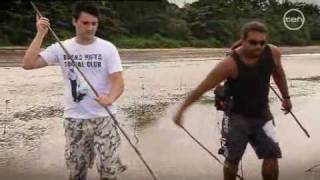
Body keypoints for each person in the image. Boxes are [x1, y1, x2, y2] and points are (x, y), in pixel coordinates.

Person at [174, 21, 292, 180]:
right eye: (253, 42)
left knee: (272, 154)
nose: (258, 46)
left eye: (262, 43)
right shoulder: (229, 64)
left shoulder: (273, 53)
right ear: (242, 41)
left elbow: (278, 73)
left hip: (263, 115)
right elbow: (202, 88)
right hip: (236, 118)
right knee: (232, 160)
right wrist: (182, 110)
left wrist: (286, 97)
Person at [22, 1, 126, 180]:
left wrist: (110, 98)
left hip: (104, 118)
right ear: (74, 22)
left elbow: (118, 81)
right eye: (85, 23)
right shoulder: (62, 48)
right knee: (76, 172)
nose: (90, 28)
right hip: (74, 119)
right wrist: (41, 33)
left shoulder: (108, 48)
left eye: (94, 23)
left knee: (109, 171)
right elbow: (28, 64)